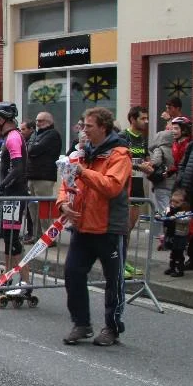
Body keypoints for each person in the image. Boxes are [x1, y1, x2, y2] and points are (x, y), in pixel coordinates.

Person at [57, 106, 131, 347]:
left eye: (88, 126)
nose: (84, 130)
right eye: (83, 126)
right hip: (82, 226)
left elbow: (112, 187)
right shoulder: (82, 153)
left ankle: (112, 327)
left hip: (110, 228)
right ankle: (81, 323)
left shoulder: (119, 155)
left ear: (103, 127)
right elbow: (67, 183)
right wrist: (62, 204)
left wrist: (84, 172)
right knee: (72, 273)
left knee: (114, 281)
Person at [0, 102, 28, 277]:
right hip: (10, 193)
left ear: (2, 119)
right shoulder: (10, 136)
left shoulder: (13, 137)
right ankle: (7, 276)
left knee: (13, 239)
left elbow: (18, 168)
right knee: (8, 237)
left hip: (15, 194)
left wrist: (1, 186)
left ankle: (26, 281)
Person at [122, 106, 152, 278]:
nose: (146, 121)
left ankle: (124, 260)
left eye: (147, 118)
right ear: (132, 119)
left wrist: (150, 165)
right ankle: (119, 263)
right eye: (142, 118)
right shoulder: (123, 137)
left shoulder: (141, 138)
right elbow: (120, 161)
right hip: (125, 186)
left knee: (130, 226)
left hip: (138, 185)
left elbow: (145, 158)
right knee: (123, 227)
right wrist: (139, 166)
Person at [24, 111, 62, 242]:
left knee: (45, 209)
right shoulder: (36, 135)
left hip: (44, 176)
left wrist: (31, 148)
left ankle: (49, 238)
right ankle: (37, 236)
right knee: (33, 209)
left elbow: (33, 150)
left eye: (41, 121)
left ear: (49, 122)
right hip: (32, 175)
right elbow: (29, 149)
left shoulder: (52, 134)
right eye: (37, 120)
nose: (38, 123)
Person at [160, 189, 193, 278]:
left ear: (183, 202)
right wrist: (160, 216)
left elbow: (186, 220)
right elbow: (164, 214)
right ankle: (172, 267)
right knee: (173, 253)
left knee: (179, 253)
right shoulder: (170, 209)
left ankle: (179, 269)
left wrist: (176, 218)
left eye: (177, 202)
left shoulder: (185, 211)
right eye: (172, 201)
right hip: (172, 234)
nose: (173, 204)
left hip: (181, 236)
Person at [148, 123, 175, 215]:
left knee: (163, 211)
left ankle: (164, 224)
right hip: (173, 185)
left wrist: (148, 164)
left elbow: (156, 162)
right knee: (171, 209)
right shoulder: (175, 149)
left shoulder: (160, 149)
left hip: (162, 183)